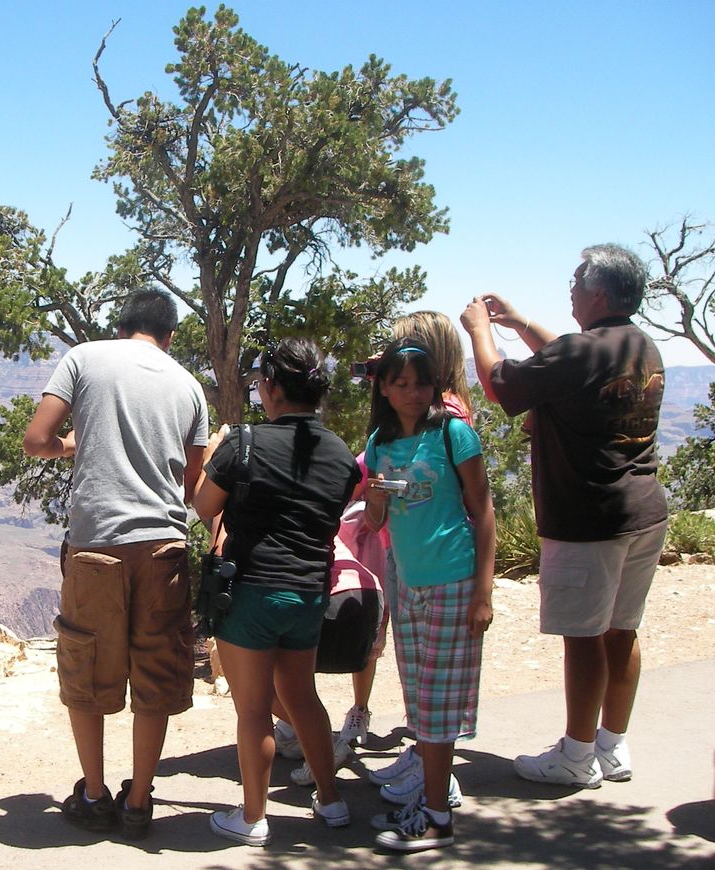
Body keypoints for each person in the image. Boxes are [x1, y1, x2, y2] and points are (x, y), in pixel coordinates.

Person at [461, 244, 667, 789]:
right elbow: (569, 357)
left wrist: (480, 329)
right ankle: (611, 746)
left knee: (584, 635)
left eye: (577, 281)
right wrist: (521, 321)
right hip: (644, 511)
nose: (570, 289)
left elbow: (500, 384)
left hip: (589, 516)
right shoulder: (638, 344)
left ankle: (576, 757)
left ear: (598, 292)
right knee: (621, 631)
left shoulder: (584, 351)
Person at [22, 288, 208, 839]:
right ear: (169, 335)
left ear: (120, 325)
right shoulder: (189, 384)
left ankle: (96, 794)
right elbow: (191, 483)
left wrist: (71, 446)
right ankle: (140, 801)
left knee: (87, 668)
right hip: (163, 545)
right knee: (154, 674)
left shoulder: (85, 357)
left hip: (96, 543)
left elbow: (35, 440)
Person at [194, 338, 360, 847]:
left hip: (251, 592)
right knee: (303, 697)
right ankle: (331, 801)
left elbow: (203, 504)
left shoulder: (246, 443)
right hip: (309, 591)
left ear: (273, 387)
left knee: (253, 709)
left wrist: (217, 452)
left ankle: (252, 817)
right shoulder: (340, 455)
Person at [363, 338, 495, 853]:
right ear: (385, 388)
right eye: (401, 383)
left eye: (421, 382)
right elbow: (376, 523)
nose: (413, 392)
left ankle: (437, 819)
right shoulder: (381, 442)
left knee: (437, 709)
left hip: (453, 580)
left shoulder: (453, 434)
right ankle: (430, 803)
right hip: (408, 580)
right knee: (421, 704)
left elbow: (483, 512)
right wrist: (374, 496)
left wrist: (483, 594)